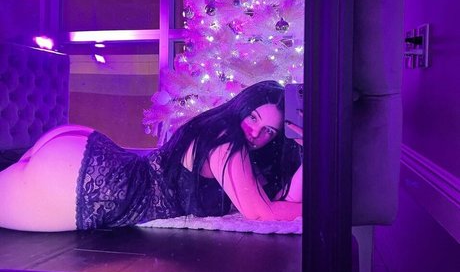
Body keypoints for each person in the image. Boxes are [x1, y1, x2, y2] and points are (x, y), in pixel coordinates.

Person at [0, 80, 303, 232]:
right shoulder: (226, 142)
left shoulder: (223, 138)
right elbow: (261, 213)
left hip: (87, 153)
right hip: (98, 187)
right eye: (252, 117)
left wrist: (307, 151)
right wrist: (319, 211)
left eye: (269, 131)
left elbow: (282, 200)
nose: (256, 133)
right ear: (241, 107)